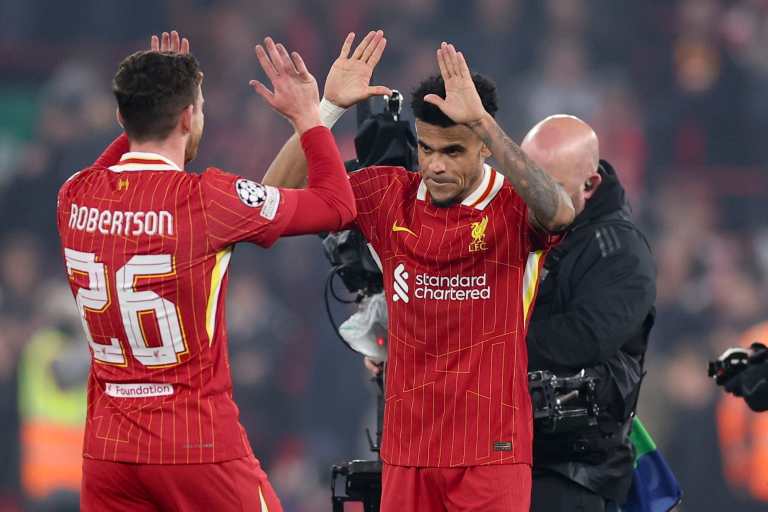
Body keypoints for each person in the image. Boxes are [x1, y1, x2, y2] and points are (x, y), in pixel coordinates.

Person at [263, 36, 574, 511]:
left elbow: (561, 213)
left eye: (454, 151)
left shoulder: (513, 206)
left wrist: (485, 123)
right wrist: (327, 110)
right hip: (408, 453)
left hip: (491, 452)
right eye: (427, 149)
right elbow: (268, 202)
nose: (436, 166)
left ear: (484, 147)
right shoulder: (389, 195)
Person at [56, 30, 356, 512]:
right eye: (200, 107)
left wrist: (153, 96)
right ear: (187, 117)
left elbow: (117, 160)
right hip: (194, 446)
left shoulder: (74, 196)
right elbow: (337, 205)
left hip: (108, 453)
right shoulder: (209, 200)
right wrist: (309, 117)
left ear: (121, 117)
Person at [521, 116, 657, 511]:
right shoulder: (516, 228)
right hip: (505, 455)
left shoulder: (621, 251)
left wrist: (484, 344)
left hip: (574, 474)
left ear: (590, 185)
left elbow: (584, 338)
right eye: (525, 183)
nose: (533, 199)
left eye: (550, 189)